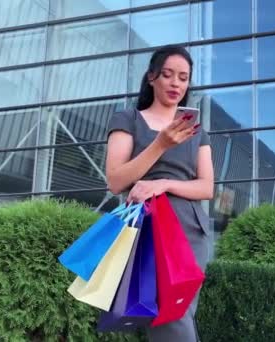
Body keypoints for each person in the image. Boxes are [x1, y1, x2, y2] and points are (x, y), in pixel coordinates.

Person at [105, 45, 214, 342]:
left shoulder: (196, 130)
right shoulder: (128, 119)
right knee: (169, 314)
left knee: (180, 312)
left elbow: (206, 187)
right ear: (152, 77)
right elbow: (115, 180)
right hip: (149, 228)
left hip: (192, 230)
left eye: (183, 77)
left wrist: (163, 184)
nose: (176, 83)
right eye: (168, 75)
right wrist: (160, 145)